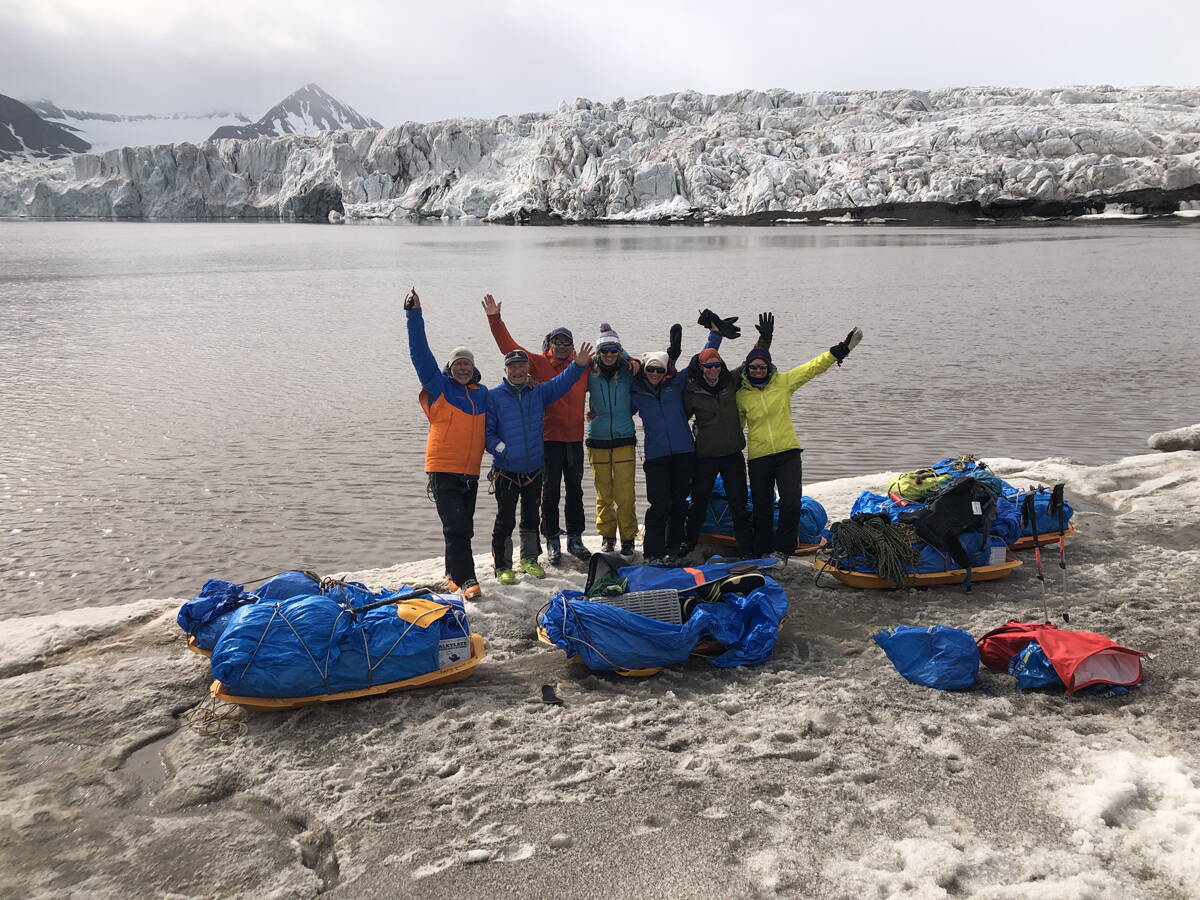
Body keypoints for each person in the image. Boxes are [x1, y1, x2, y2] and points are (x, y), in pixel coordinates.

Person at [737, 326, 864, 560]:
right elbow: (734, 424)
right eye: (753, 367)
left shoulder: (783, 382)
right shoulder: (742, 395)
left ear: (769, 367)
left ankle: (784, 550)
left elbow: (812, 368)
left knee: (791, 503)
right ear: (747, 369)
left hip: (788, 453)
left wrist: (840, 351)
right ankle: (762, 550)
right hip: (759, 457)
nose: (757, 370)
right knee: (762, 507)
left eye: (762, 366)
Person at [481, 294, 589, 565]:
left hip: (575, 437)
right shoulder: (537, 364)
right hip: (548, 440)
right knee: (550, 491)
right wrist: (495, 319)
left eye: (567, 342)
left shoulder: (582, 365)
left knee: (575, 490)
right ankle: (551, 539)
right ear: (549, 344)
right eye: (557, 341)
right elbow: (508, 347)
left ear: (572, 346)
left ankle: (575, 537)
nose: (562, 346)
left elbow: (616, 360)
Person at [405, 288, 488, 600]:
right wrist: (414, 315)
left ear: (473, 367)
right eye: (458, 364)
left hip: (471, 472)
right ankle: (468, 580)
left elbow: (499, 422)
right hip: (443, 469)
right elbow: (420, 354)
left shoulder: (483, 394)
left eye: (467, 364)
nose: (463, 368)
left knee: (461, 526)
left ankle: (452, 572)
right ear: (450, 368)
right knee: (458, 528)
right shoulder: (439, 388)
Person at [683, 312, 773, 559]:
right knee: (698, 503)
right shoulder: (691, 391)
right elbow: (678, 418)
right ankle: (687, 546)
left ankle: (747, 550)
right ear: (701, 368)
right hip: (705, 457)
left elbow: (752, 361)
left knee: (739, 505)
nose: (713, 370)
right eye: (708, 366)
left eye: (716, 365)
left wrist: (765, 339)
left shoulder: (730, 382)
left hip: (732, 454)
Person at [631, 322, 721, 565]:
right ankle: (652, 553)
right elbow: (617, 397)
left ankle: (673, 550)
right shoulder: (636, 391)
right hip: (656, 456)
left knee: (680, 503)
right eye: (651, 370)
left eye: (660, 371)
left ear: (666, 371)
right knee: (659, 504)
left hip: (684, 453)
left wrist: (715, 334)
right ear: (644, 369)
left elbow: (699, 360)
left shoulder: (676, 384)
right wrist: (596, 412)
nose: (655, 375)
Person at [586, 324, 640, 559]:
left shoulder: (630, 371)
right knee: (603, 493)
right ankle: (607, 537)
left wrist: (628, 354)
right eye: (604, 350)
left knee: (625, 494)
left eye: (613, 350)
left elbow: (656, 367)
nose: (609, 355)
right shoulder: (588, 372)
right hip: (596, 438)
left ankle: (628, 538)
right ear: (598, 353)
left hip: (624, 437)